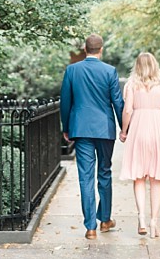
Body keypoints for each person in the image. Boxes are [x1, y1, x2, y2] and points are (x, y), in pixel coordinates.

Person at [59, 34, 125, 239]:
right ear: (101, 49)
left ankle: (90, 227)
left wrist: (66, 127)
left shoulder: (72, 70)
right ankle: (105, 220)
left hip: (81, 129)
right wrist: (125, 128)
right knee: (104, 172)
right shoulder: (109, 71)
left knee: (85, 177)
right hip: (104, 129)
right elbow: (118, 102)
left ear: (85, 49)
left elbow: (65, 102)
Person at [118, 51, 160, 239]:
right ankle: (154, 222)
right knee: (156, 179)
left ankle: (141, 218)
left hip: (138, 130)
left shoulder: (131, 85)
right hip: (158, 130)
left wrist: (124, 131)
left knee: (139, 177)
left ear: (137, 66)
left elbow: (127, 110)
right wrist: (155, 114)